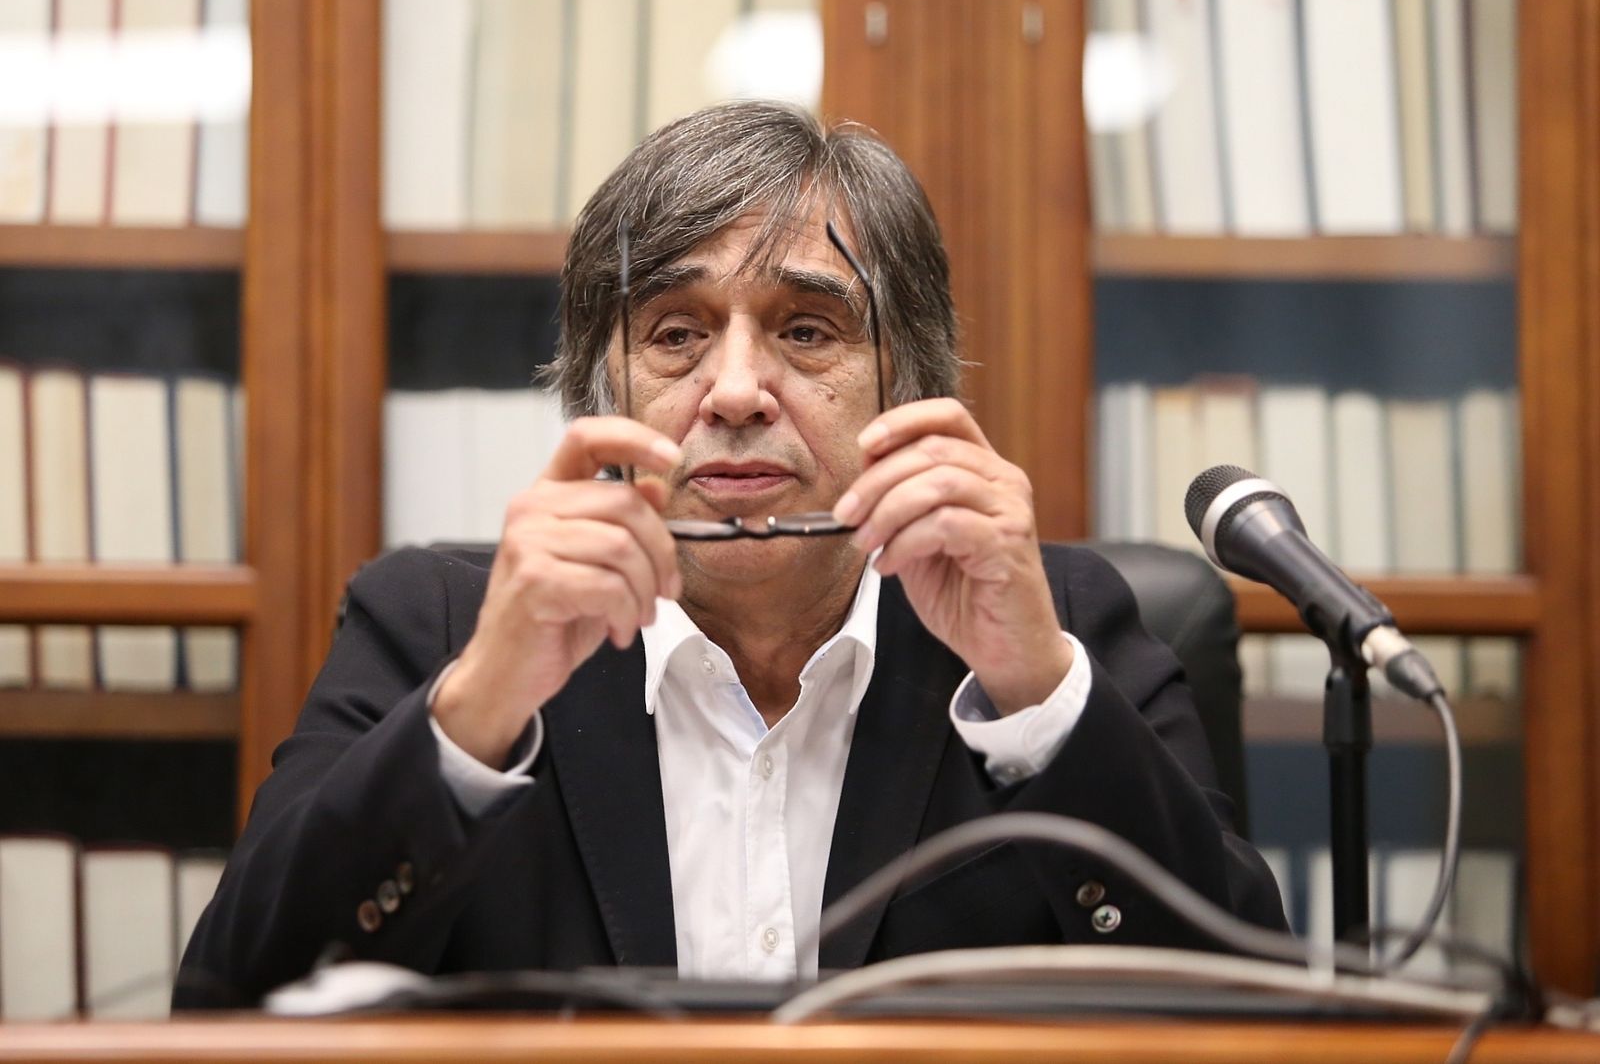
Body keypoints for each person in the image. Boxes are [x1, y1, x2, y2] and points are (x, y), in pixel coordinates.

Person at [176, 101, 1284, 1008]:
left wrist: (1039, 697)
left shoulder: (1060, 626)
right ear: (605, 393)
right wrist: (479, 707)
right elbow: (228, 1003)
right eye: (675, 333)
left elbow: (1253, 1010)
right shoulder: (434, 628)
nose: (740, 391)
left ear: (910, 384)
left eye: (808, 330)